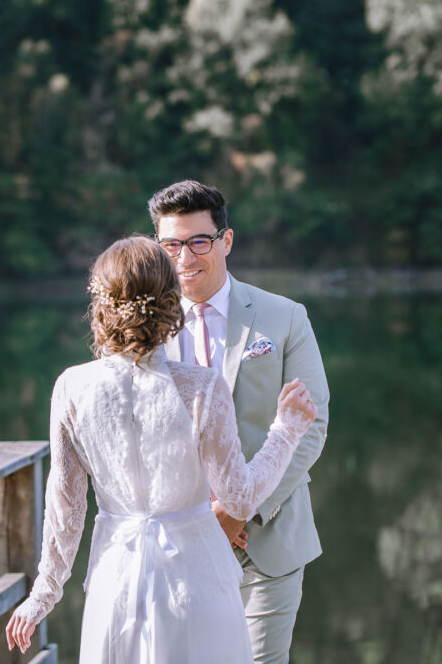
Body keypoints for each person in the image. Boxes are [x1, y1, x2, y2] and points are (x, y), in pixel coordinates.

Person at [5, 236, 317, 662]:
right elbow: (240, 496)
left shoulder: (71, 388)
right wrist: (286, 429)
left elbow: (65, 509)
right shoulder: (201, 387)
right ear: (171, 306)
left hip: (115, 585)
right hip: (197, 581)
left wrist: (43, 594)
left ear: (101, 307)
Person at [149, 180, 329, 663]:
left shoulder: (284, 317)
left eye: (197, 242)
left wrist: (236, 511)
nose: (184, 258)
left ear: (225, 241)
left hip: (266, 540)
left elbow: (312, 424)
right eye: (171, 245)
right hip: (176, 542)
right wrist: (197, 519)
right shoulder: (145, 327)